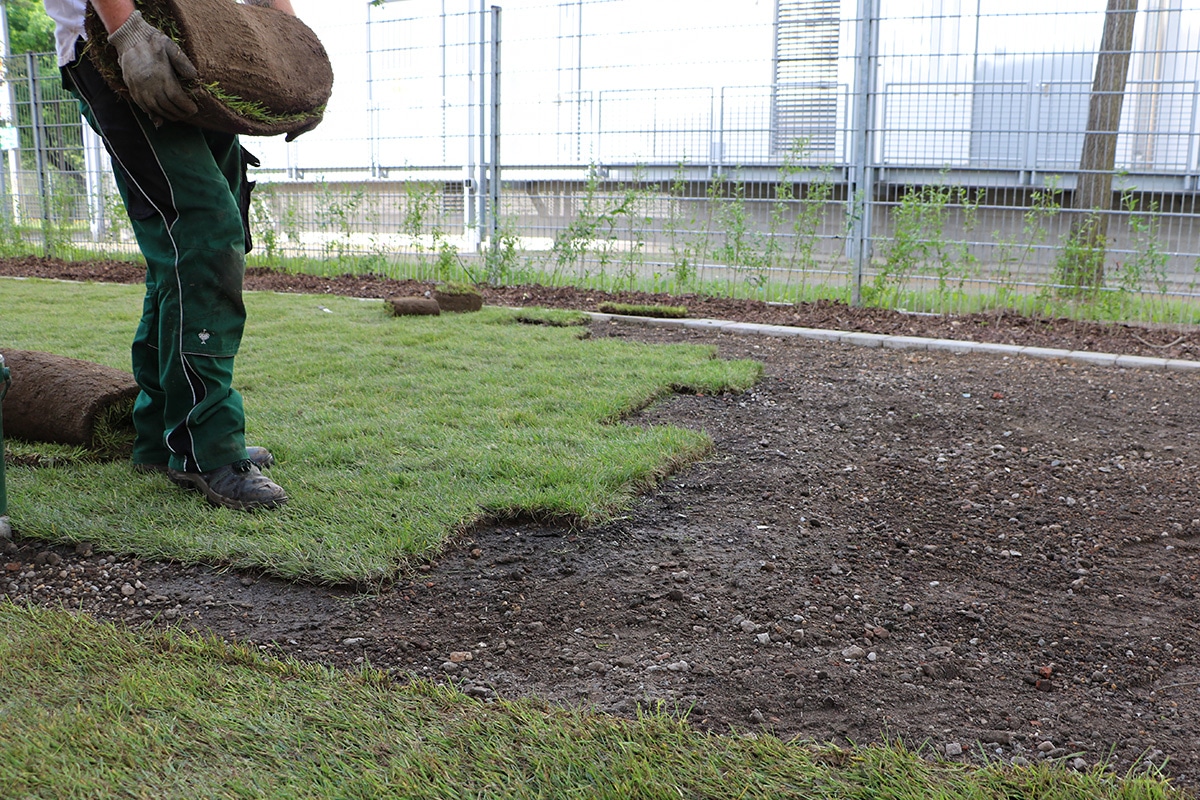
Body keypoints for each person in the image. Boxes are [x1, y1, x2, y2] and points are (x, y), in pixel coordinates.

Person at [41, 0, 302, 511]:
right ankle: (206, 447)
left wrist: (288, 53)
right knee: (203, 232)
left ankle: (164, 435)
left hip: (209, 42)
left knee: (184, 247)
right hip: (116, 46)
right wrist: (128, 31)